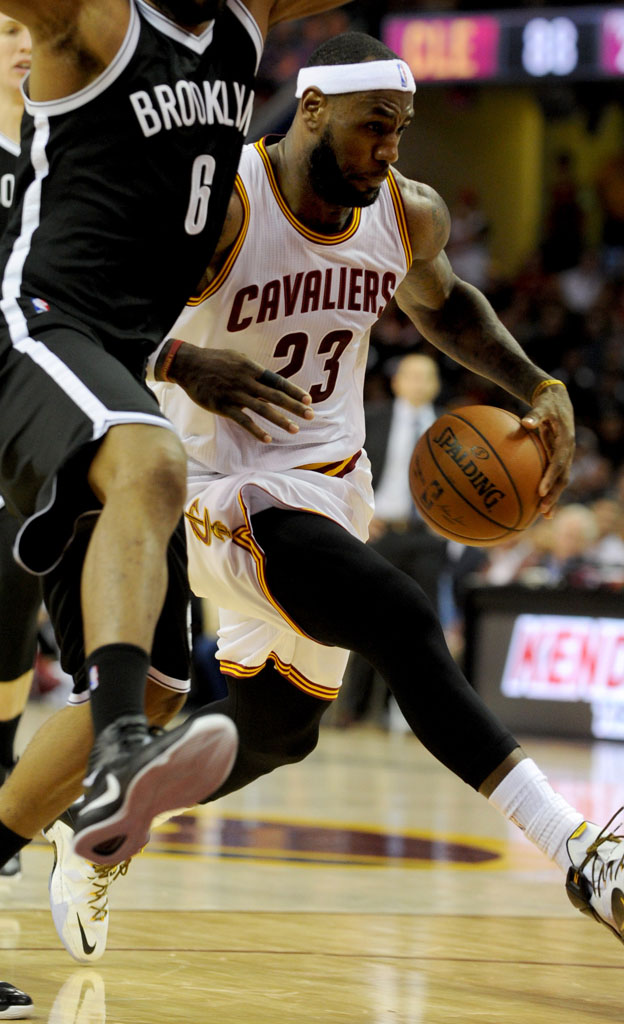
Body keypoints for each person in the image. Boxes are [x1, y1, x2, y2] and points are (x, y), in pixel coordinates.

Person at [139, 31, 624, 960]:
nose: (389, 148)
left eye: (401, 129)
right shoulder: (224, 199)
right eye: (371, 128)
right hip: (212, 484)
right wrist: (186, 362)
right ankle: (587, 855)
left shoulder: (405, 212)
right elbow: (101, 308)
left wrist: (537, 385)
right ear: (310, 109)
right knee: (398, 613)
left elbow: (444, 304)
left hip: (326, 487)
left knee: (277, 731)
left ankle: (100, 817)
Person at [0, 0, 350, 901]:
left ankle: (125, 728)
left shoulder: (244, 18)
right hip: (32, 328)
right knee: (150, 461)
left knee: (160, 684)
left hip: (120, 362)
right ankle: (123, 752)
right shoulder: (92, 18)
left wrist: (176, 358)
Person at [339, 352, 447, 727]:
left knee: (422, 629)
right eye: (411, 375)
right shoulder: (371, 417)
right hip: (381, 531)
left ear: (436, 384)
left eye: (426, 376)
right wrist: (360, 516)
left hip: (429, 537)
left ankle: (411, 714)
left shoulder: (453, 429)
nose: (419, 383)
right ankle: (352, 708)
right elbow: (343, 467)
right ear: (397, 381)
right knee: (368, 621)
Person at [0, 10, 38, 883]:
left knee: (11, 640)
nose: (24, 43)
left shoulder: (61, 157)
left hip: (28, 422)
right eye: (5, 28)